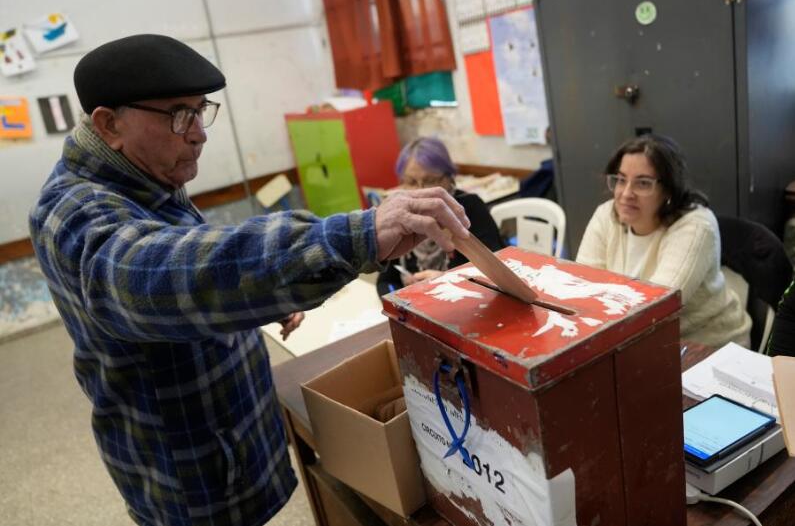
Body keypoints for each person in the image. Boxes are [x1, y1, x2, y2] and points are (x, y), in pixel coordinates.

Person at [28, 34, 471, 526]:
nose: (199, 134)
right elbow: (155, 277)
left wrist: (259, 298)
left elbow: (200, 270)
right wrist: (356, 234)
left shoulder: (144, 177)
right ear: (109, 124)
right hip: (188, 472)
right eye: (179, 115)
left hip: (228, 442)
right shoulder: (74, 212)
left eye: (201, 111)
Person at [576, 134, 751, 348]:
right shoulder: (606, 215)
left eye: (642, 183)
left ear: (668, 189)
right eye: (621, 180)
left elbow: (655, 309)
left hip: (706, 345)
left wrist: (603, 299)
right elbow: (582, 285)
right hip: (636, 339)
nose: (626, 194)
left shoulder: (696, 226)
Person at [376, 137, 503, 295]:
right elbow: (385, 281)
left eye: (430, 181)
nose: (420, 190)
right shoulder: (403, 217)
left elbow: (497, 277)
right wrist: (398, 299)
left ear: (449, 178)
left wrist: (448, 280)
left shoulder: (469, 208)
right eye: (411, 182)